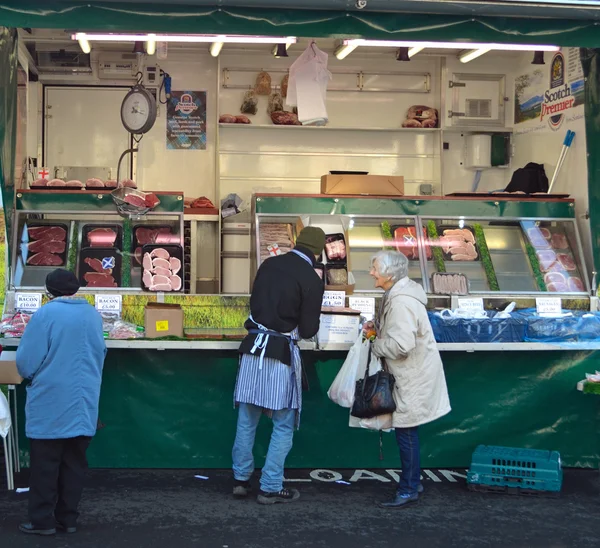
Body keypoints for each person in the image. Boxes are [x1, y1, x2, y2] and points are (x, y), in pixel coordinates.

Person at [232, 226, 326, 505]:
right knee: (283, 425)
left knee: (247, 420)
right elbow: (308, 330)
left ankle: (240, 479)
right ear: (318, 251)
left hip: (252, 349)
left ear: (297, 242)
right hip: (281, 353)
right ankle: (270, 486)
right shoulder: (312, 278)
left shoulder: (269, 264)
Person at [16, 269, 107, 535]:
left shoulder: (45, 315)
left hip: (50, 401)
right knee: (74, 464)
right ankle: (68, 520)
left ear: (49, 291)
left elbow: (26, 362)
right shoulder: (92, 314)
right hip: (83, 401)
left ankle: (42, 521)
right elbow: (101, 351)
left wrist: (33, 376)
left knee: (45, 465)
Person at [367, 251, 451, 508]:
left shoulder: (401, 302)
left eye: (374, 269)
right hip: (412, 373)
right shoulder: (399, 296)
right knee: (408, 430)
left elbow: (401, 345)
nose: (371, 273)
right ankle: (413, 480)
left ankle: (409, 488)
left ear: (389, 275)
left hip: (411, 375)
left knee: (406, 432)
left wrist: (375, 344)